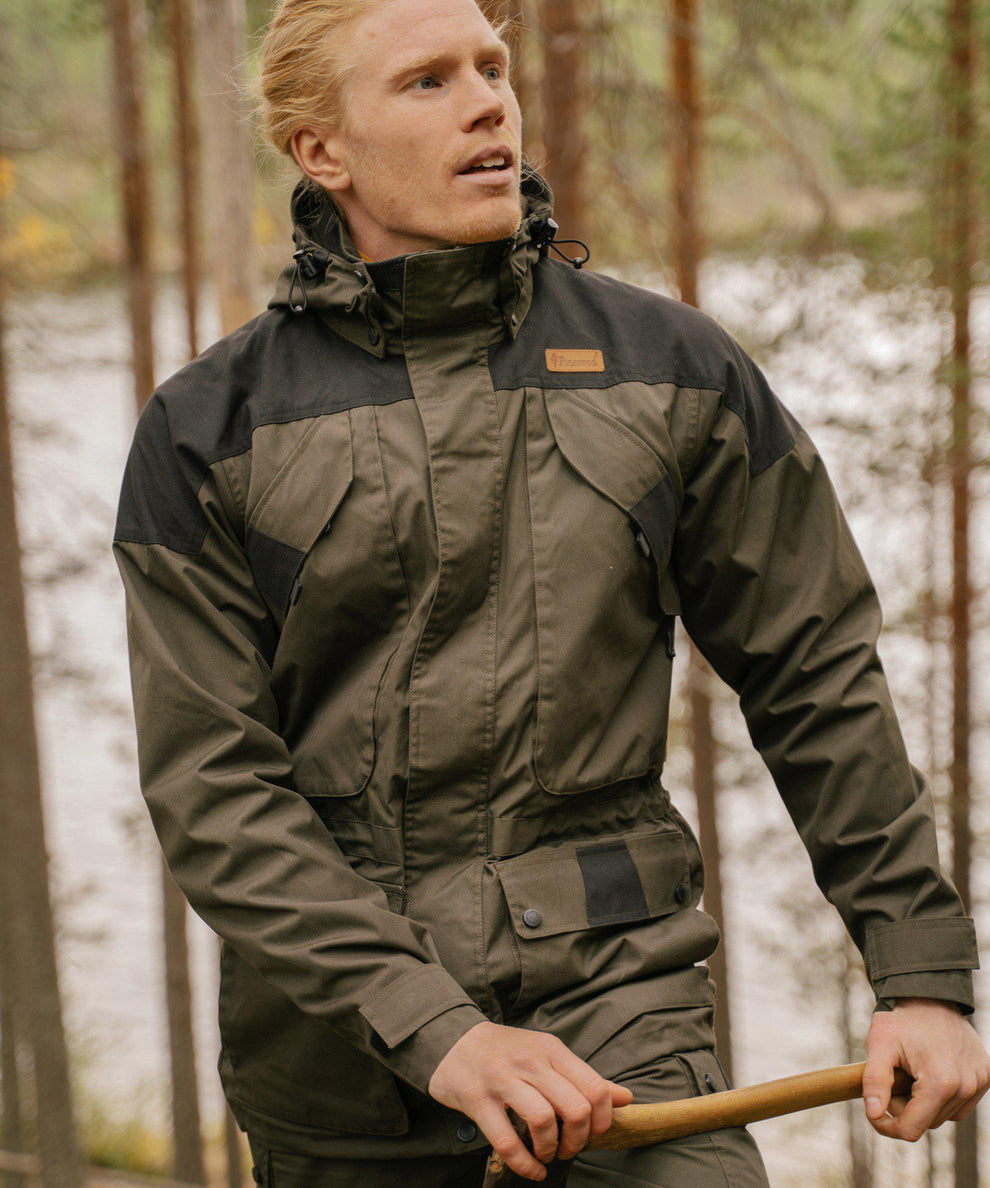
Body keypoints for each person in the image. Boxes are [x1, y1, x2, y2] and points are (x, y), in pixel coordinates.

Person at [111, 0, 989, 1184]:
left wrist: (921, 972)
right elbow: (214, 788)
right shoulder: (211, 428)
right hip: (340, 1070)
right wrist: (439, 1031)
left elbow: (814, 672)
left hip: (622, 1022)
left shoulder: (672, 370)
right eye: (428, 81)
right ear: (322, 149)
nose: (488, 103)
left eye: (492, 67)